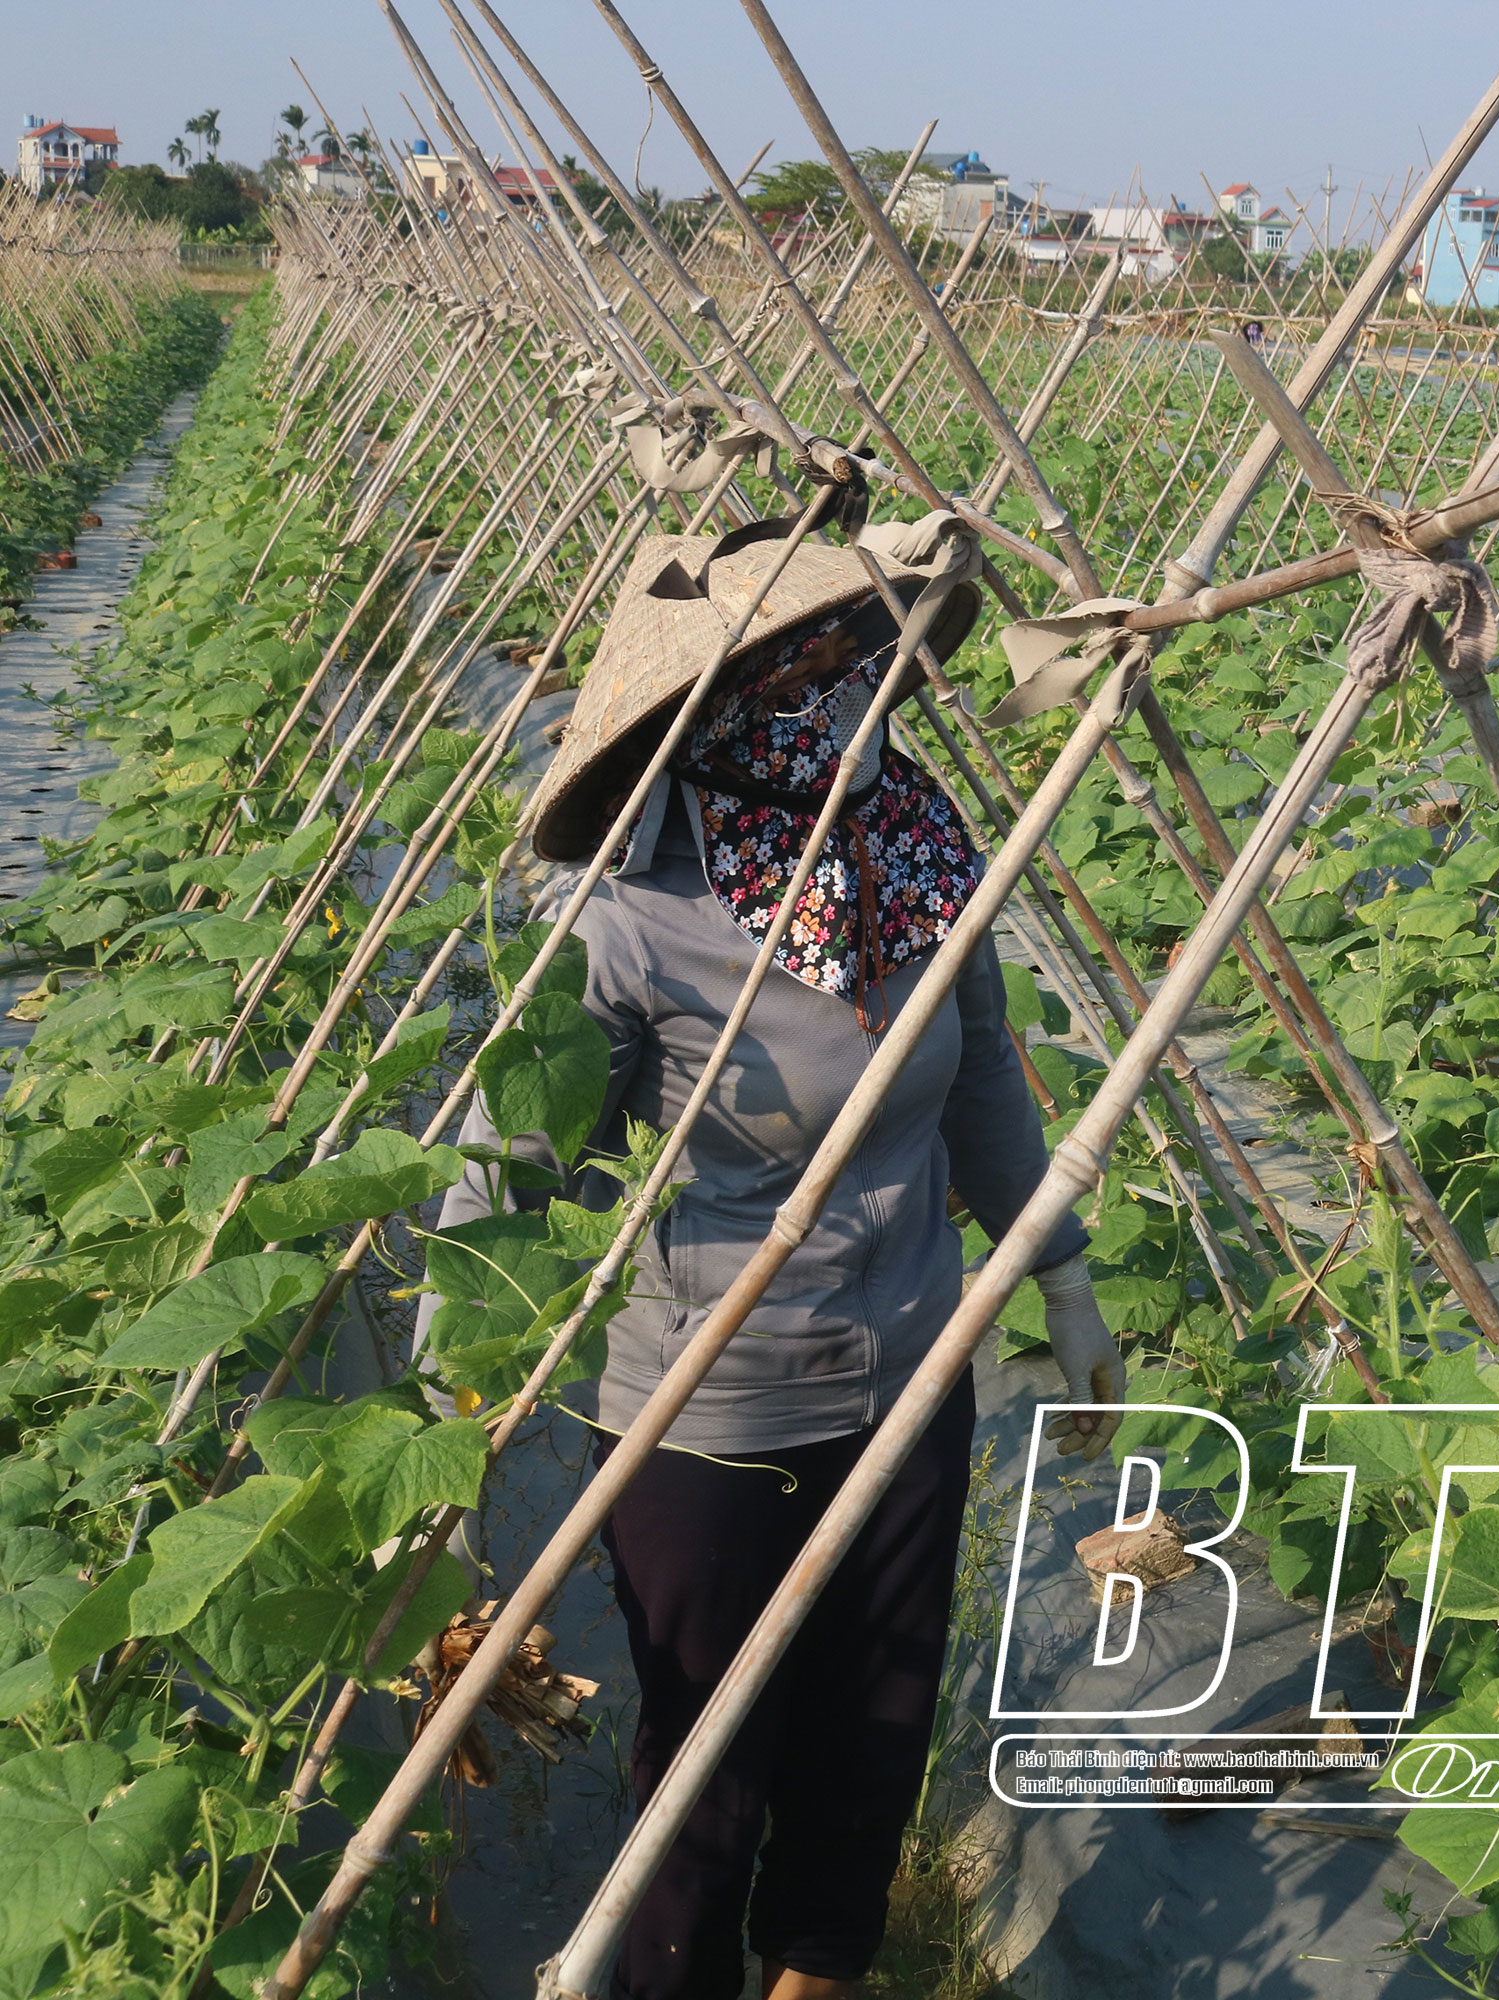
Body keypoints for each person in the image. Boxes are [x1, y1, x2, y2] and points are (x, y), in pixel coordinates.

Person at [426, 521, 1127, 2000]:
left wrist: (1059, 1277)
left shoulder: (920, 859)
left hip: (913, 1375)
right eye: (797, 670)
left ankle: (819, 1977)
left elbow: (984, 1079)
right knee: (706, 1775)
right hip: (709, 1410)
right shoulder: (633, 919)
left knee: (872, 1737)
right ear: (718, 711)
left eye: (851, 662)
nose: (837, 695)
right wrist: (440, 1444)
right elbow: (505, 1185)